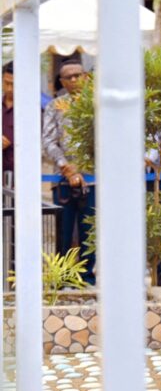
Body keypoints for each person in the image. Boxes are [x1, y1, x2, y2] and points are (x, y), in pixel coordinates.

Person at [42, 59, 96, 284]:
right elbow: (48, 140)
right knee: (63, 231)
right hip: (63, 180)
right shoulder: (55, 106)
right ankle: (62, 280)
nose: (74, 80)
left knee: (89, 232)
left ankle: (86, 280)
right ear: (62, 81)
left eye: (77, 75)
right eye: (68, 77)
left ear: (85, 76)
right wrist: (66, 166)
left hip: (93, 180)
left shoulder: (97, 104)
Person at [2, 61, 13, 177]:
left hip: (22, 175)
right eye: (6, 83)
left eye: (13, 84)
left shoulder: (32, 110)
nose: (9, 89)